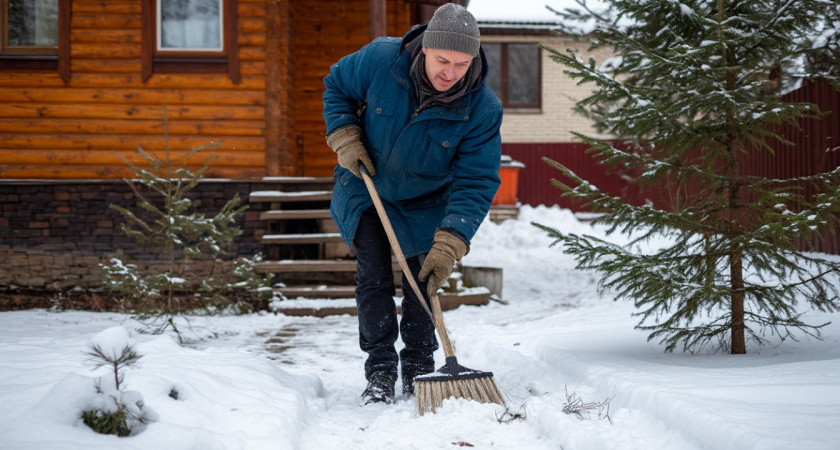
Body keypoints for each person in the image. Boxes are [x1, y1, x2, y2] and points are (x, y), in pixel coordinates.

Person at [322, 3, 502, 405]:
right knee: (374, 277)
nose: (450, 73)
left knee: (424, 281)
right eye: (442, 60)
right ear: (425, 49)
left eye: (460, 63)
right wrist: (345, 136)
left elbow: (477, 180)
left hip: (427, 200)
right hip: (366, 184)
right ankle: (381, 369)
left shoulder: (482, 109)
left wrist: (452, 239)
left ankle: (419, 365)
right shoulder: (381, 60)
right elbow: (336, 86)